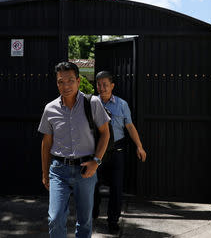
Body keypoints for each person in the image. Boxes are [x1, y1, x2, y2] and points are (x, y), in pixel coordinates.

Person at [38, 62, 110, 238]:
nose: (66, 86)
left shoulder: (92, 103)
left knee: (85, 221)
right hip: (59, 170)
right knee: (55, 219)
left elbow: (105, 134)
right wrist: (45, 173)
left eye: (70, 80)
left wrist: (96, 162)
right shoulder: (50, 109)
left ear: (78, 81)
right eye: (61, 81)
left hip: (86, 169)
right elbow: (46, 144)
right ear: (57, 83)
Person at [93, 71, 147, 233]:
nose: (102, 88)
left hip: (117, 151)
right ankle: (93, 210)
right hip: (97, 152)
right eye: (99, 85)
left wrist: (139, 146)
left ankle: (113, 221)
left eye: (105, 85)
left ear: (112, 86)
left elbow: (129, 126)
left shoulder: (122, 104)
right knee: (92, 184)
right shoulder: (92, 103)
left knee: (116, 188)